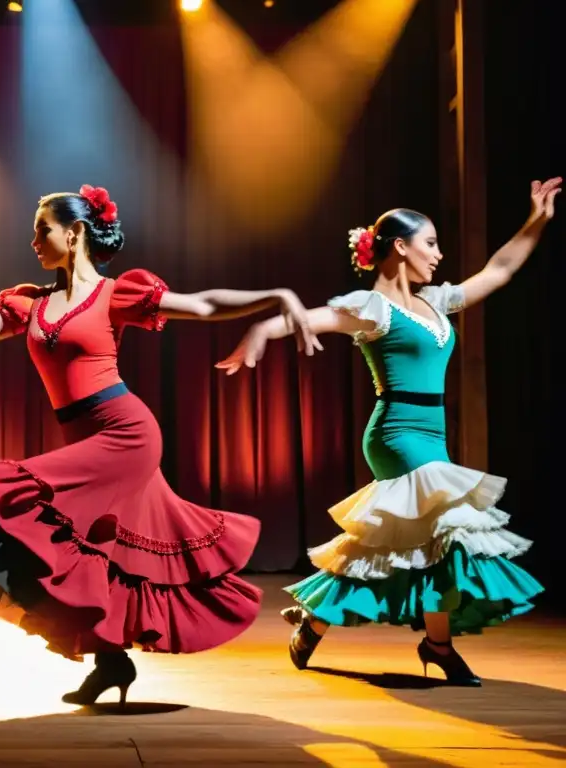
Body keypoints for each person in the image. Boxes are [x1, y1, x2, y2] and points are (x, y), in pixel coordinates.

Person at [0, 184, 319, 714]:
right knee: (77, 550)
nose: (32, 241)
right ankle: (107, 662)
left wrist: (278, 296)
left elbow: (204, 304)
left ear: (73, 235)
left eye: (41, 229)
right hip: (86, 437)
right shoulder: (31, 303)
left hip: (126, 435)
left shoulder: (117, 294)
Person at [218, 177, 561, 685]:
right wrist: (260, 331)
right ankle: (439, 646)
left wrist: (538, 220)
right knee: (446, 528)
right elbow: (305, 320)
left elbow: (501, 269)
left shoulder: (438, 302)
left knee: (402, 542)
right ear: (400, 248)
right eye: (431, 243)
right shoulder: (370, 310)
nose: (439, 254)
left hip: (433, 434)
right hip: (396, 434)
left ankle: (317, 623)